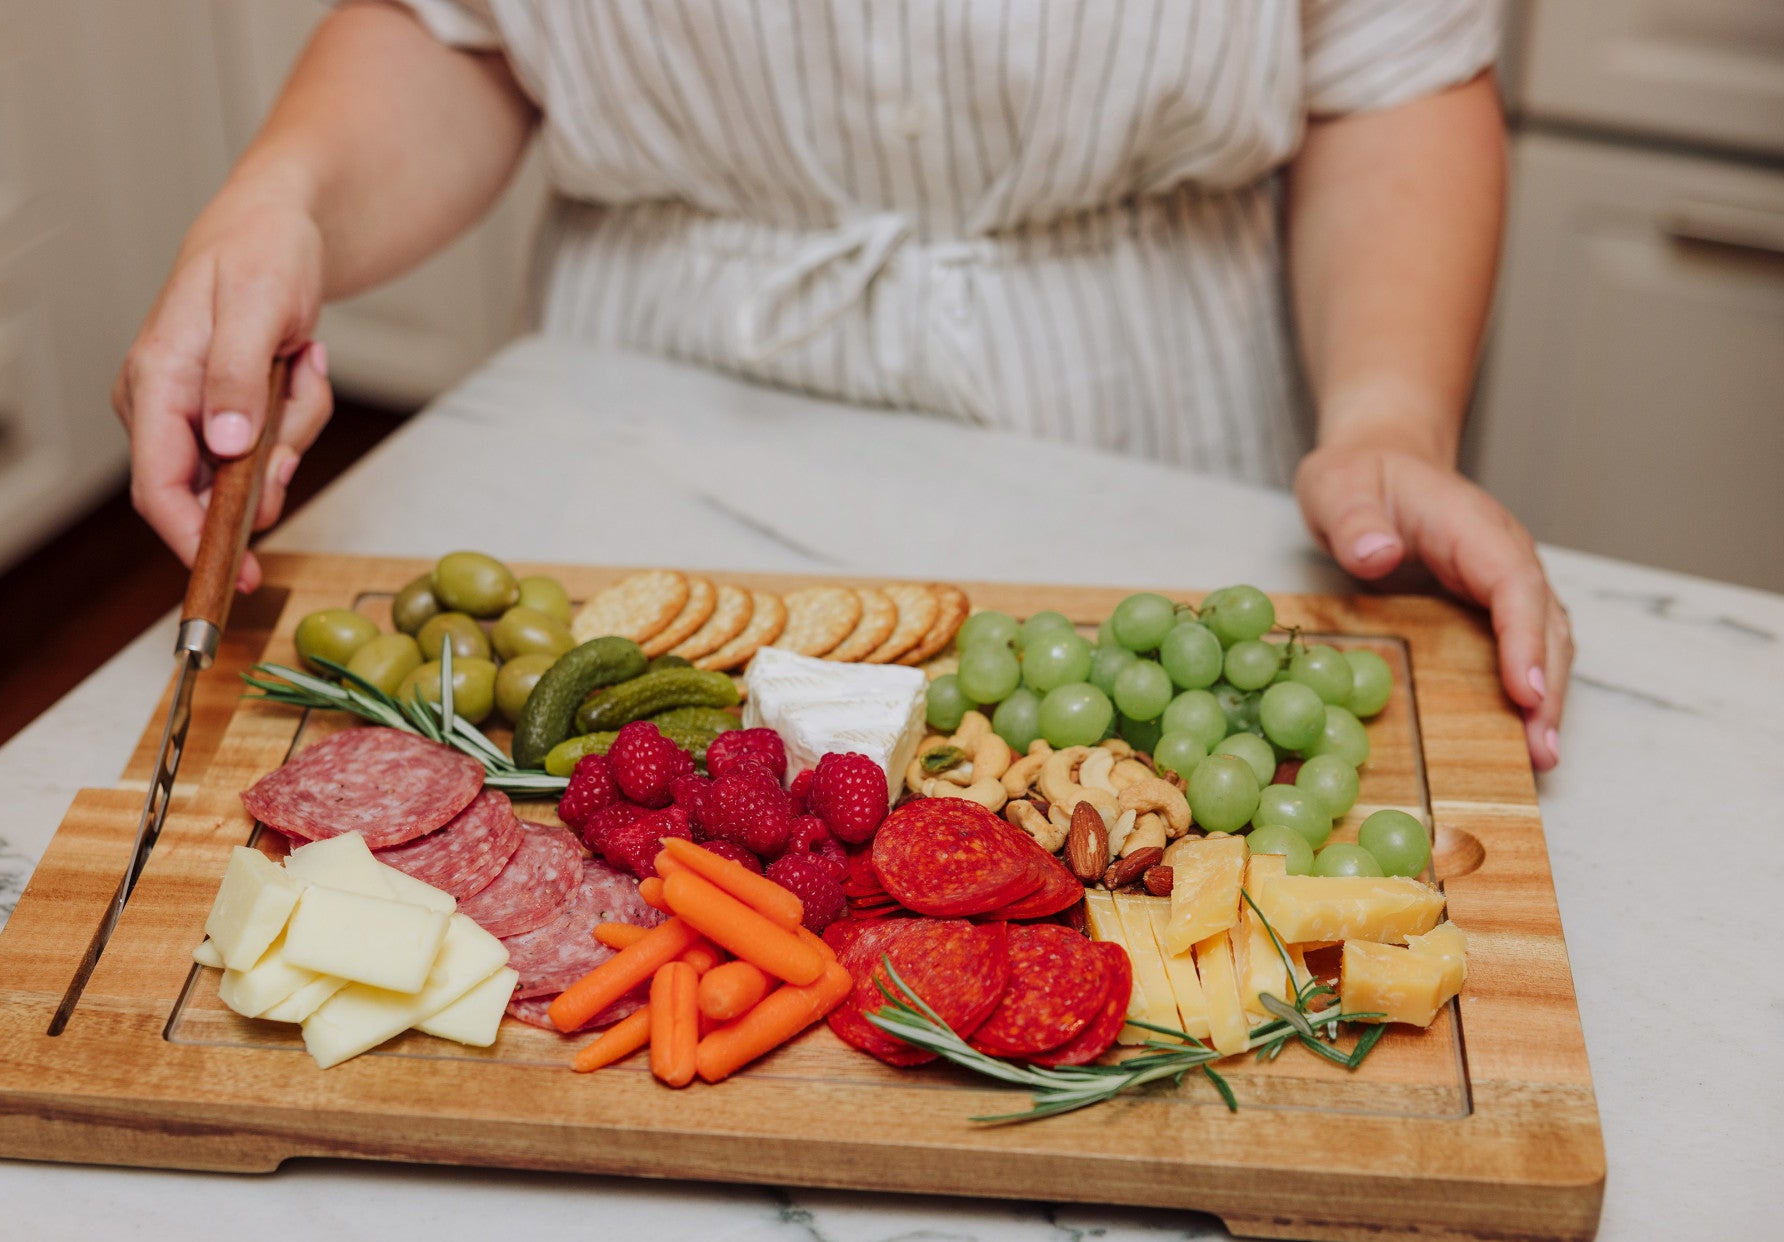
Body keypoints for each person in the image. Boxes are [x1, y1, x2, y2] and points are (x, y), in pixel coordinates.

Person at [115, 0, 1571, 769]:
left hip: (1134, 432)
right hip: (633, 424)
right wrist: (284, 199)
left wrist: (1387, 416)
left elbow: (1390, 65)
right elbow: (459, 27)